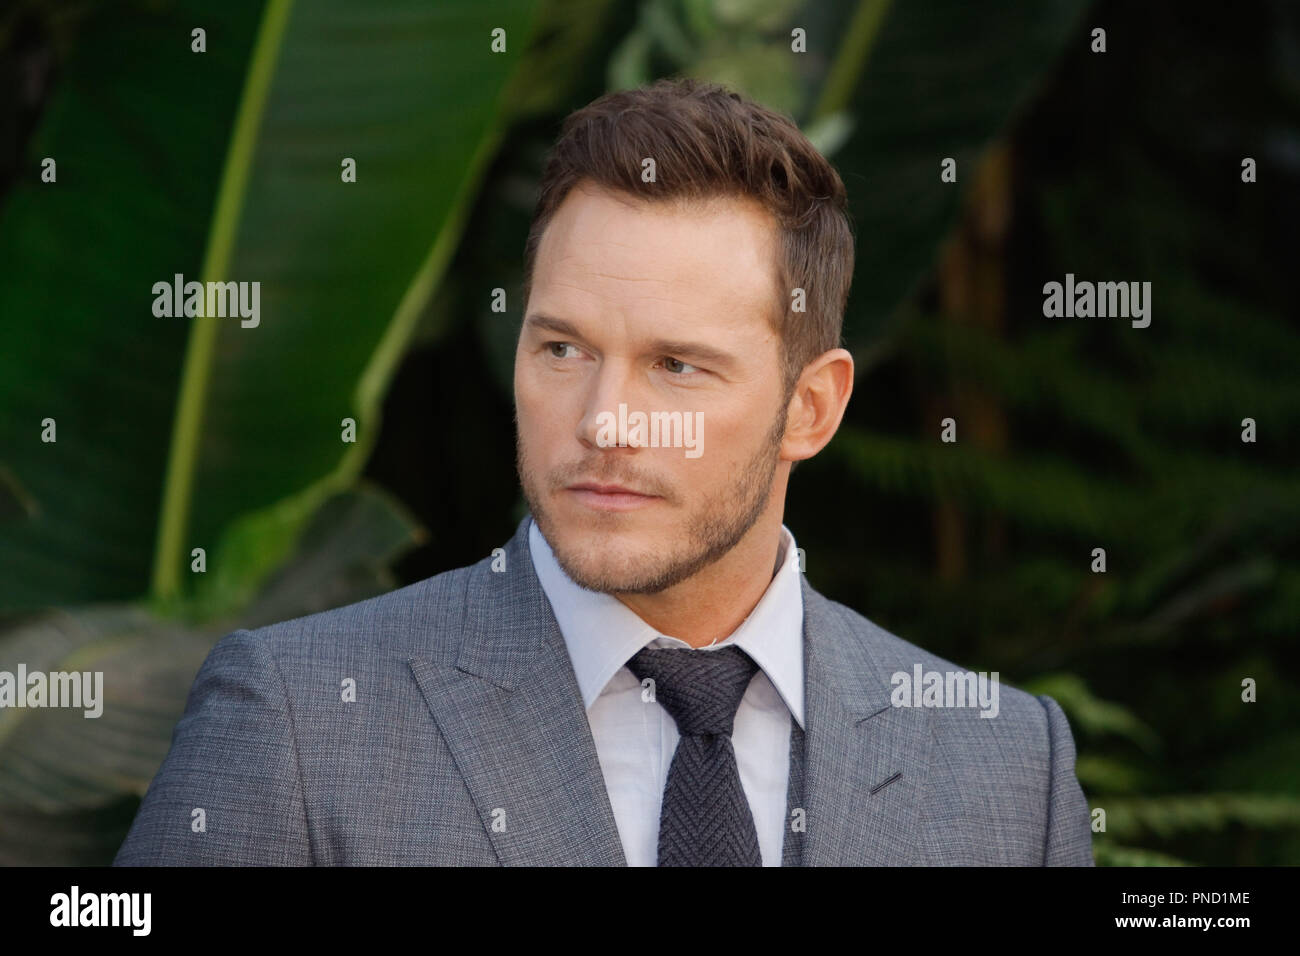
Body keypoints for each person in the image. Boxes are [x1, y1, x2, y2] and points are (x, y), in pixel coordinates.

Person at [114, 77, 1093, 866]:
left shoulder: (1006, 766)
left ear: (812, 407)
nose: (601, 420)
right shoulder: (293, 722)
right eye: (562, 350)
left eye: (676, 365)